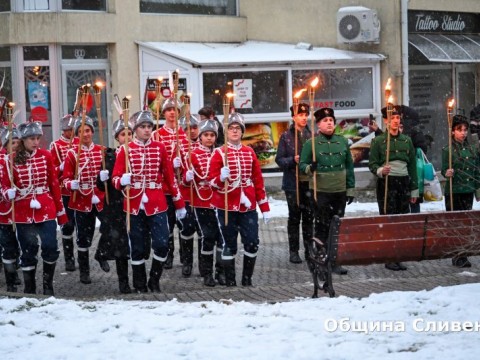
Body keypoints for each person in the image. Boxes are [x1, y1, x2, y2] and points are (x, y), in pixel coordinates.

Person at [113, 110, 186, 293]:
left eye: (149, 127)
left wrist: (179, 203)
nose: (147, 130)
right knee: (136, 247)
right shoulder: (124, 149)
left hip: (157, 201)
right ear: (135, 129)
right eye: (143, 127)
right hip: (134, 203)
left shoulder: (160, 148)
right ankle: (140, 284)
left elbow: (170, 177)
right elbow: (115, 178)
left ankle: (154, 279)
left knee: (162, 244)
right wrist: (122, 181)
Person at [1, 121, 67, 294]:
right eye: (31, 138)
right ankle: (30, 288)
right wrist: (8, 193)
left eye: (38, 138)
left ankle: (48, 284)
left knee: (51, 247)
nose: (36, 142)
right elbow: (4, 184)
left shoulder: (45, 155)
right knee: (29, 250)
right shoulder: (10, 159)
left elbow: (53, 184)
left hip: (45, 206)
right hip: (23, 210)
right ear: (22, 140)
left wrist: (61, 212)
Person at [209, 112, 270, 287]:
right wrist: (221, 177)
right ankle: (230, 280)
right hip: (226, 205)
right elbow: (212, 183)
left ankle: (247, 278)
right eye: (231, 128)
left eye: (238, 128)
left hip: (248, 206)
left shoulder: (249, 152)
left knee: (252, 242)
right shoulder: (219, 153)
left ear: (242, 132)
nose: (235, 131)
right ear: (226, 132)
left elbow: (258, 180)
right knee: (229, 244)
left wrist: (264, 207)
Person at [299, 108, 354, 275]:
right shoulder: (311, 144)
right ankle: (322, 261)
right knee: (322, 227)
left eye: (331, 120)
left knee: (336, 227)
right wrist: (310, 167)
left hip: (339, 191)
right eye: (325, 120)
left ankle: (335, 260)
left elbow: (349, 166)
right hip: (320, 191)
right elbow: (302, 166)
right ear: (318, 125)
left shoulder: (343, 141)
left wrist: (350, 189)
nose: (329, 123)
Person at [369, 105, 418, 271]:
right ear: (385, 121)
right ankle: (389, 257)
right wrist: (381, 170)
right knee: (388, 219)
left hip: (403, 182)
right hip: (387, 183)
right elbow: (372, 164)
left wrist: (414, 189)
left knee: (401, 220)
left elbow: (412, 166)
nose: (396, 121)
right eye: (392, 118)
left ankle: (398, 256)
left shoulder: (406, 140)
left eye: (398, 118)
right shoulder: (378, 141)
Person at [63, 116, 107, 284]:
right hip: (82, 198)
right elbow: (65, 178)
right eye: (81, 132)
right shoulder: (72, 153)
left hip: (101, 198)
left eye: (87, 131)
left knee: (110, 228)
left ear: (92, 132)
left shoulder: (102, 150)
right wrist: (70, 184)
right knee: (83, 237)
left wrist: (106, 176)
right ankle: (84, 271)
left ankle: (102, 253)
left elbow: (111, 174)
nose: (85, 134)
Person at [96, 119, 133, 293]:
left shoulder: (138, 153)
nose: (128, 138)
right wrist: (102, 178)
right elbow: (99, 185)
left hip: (134, 202)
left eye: (130, 134)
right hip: (116, 204)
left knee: (130, 242)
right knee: (120, 245)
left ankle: (101, 253)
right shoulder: (110, 156)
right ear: (117, 138)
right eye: (123, 135)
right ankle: (123, 282)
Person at [151, 98, 189, 269]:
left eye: (175, 109)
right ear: (164, 113)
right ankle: (168, 254)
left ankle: (186, 258)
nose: (172, 113)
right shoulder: (156, 135)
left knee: (185, 225)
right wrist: (167, 163)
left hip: (182, 187)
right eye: (169, 110)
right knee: (167, 223)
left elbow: (191, 157)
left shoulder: (185, 133)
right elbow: (151, 160)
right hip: (165, 188)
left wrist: (184, 167)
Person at [184, 118, 222, 286]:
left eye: (212, 135)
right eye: (205, 135)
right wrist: (187, 177)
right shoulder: (192, 154)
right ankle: (207, 273)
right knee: (208, 236)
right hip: (201, 200)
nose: (209, 138)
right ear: (200, 137)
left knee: (222, 237)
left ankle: (221, 271)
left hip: (220, 198)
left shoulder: (221, 153)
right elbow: (185, 181)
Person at [275, 102, 314, 264]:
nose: (304, 118)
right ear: (294, 117)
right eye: (301, 115)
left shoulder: (312, 135)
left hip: (309, 182)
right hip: (293, 183)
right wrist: (293, 160)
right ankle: (293, 251)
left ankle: (309, 250)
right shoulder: (286, 136)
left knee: (309, 217)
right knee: (294, 217)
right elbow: (279, 160)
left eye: (306, 115)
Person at [441, 115, 480, 268]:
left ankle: (463, 253)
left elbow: (477, 171)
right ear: (452, 132)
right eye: (459, 130)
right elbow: (444, 169)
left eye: (465, 130)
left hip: (467, 191)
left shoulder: (472, 149)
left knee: (465, 224)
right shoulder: (448, 150)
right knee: (455, 224)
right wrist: (447, 173)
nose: (463, 133)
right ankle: (457, 255)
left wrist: (478, 190)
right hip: (454, 191)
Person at [49, 114, 79, 271]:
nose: (72, 132)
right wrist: (60, 168)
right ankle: (69, 258)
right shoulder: (55, 145)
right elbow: (51, 170)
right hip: (65, 190)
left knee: (81, 225)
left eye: (73, 129)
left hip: (79, 189)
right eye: (69, 129)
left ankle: (82, 256)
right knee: (67, 226)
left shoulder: (79, 143)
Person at [0, 127, 22, 291]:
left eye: (17, 142)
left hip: (19, 208)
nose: (15, 145)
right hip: (3, 208)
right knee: (7, 244)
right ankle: (10, 280)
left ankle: (14, 272)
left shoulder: (22, 159)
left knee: (16, 245)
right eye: (12, 142)